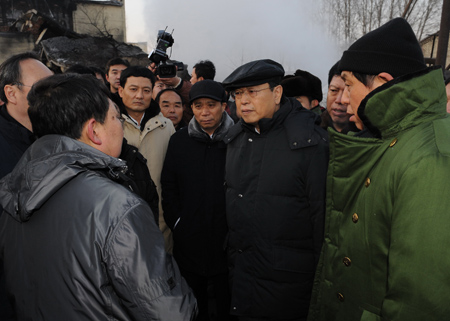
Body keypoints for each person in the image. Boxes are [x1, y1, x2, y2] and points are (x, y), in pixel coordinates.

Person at [0, 73, 197, 321]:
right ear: (94, 130)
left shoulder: (11, 192)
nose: (120, 126)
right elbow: (171, 313)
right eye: (115, 117)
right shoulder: (118, 205)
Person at [307, 18, 450, 321]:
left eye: (348, 85)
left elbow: (419, 302)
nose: (342, 99)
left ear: (382, 83)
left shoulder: (429, 157)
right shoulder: (390, 139)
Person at [221, 59, 329, 321]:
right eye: (238, 94)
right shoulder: (236, 139)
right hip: (243, 277)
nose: (243, 101)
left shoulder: (308, 143)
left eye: (252, 92)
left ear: (277, 93)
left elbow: (322, 223)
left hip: (288, 288)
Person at [161, 80, 235, 321]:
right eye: (198, 105)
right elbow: (169, 186)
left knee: (227, 304)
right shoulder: (180, 141)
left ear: (224, 106)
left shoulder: (237, 140)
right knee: (194, 306)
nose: (205, 112)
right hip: (189, 241)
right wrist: (179, 223)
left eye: (211, 105)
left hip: (228, 243)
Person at [118, 65, 175, 252]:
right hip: (121, 215)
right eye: (133, 89)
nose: (139, 96)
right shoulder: (111, 125)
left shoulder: (165, 126)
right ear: (120, 91)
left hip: (161, 217)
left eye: (146, 90)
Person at [0, 52, 53, 179]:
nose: (53, 93)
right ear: (11, 93)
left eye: (55, 85)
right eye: (42, 87)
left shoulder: (62, 128)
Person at [320, 61, 357, 133]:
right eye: (333, 90)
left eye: (348, 92)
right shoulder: (308, 131)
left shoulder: (374, 138)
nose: (339, 100)